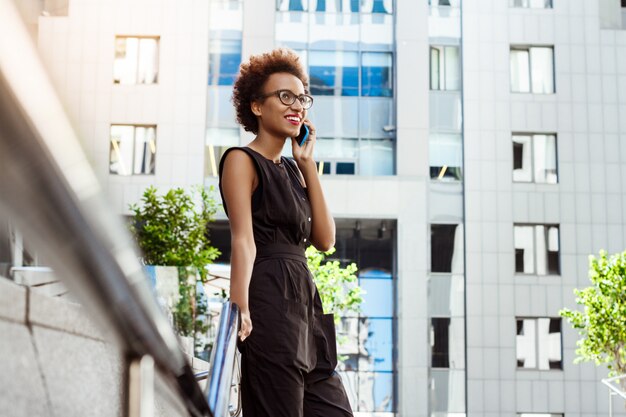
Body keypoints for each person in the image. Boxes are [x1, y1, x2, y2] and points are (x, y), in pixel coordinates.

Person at [218, 48, 354, 417]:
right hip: (270, 301)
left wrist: (307, 164)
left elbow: (325, 241)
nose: (297, 105)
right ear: (257, 107)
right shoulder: (240, 160)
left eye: (302, 98)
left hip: (307, 308)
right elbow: (242, 239)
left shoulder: (295, 170)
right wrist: (240, 306)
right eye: (285, 96)